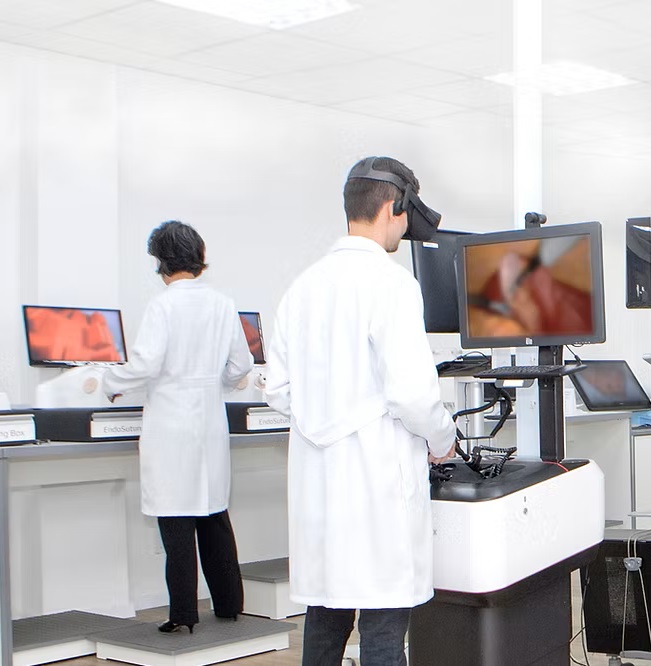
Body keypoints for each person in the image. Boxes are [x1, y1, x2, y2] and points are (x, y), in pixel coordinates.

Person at [266, 156, 456, 665]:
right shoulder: (392, 284)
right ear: (394, 207)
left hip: (319, 487)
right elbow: (413, 396)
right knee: (383, 626)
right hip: (377, 486)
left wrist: (327, 411)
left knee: (326, 618)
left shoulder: (302, 287)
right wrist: (443, 440)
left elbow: (277, 390)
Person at [103, 220, 253, 634]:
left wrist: (109, 382)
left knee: (176, 520)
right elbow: (241, 365)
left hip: (171, 424)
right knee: (213, 513)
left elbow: (145, 364)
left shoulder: (163, 306)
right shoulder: (223, 304)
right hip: (209, 423)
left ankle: (183, 615)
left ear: (161, 261)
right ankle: (229, 606)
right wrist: (217, 384)